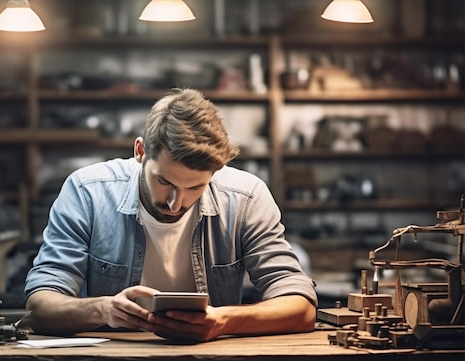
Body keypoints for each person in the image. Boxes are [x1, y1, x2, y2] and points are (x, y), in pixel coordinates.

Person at [24, 88, 317, 344]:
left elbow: (301, 307)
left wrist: (223, 321)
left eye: (195, 187)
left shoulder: (246, 198)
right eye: (165, 182)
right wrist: (103, 310)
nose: (176, 204)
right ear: (140, 152)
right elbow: (39, 307)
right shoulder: (87, 192)